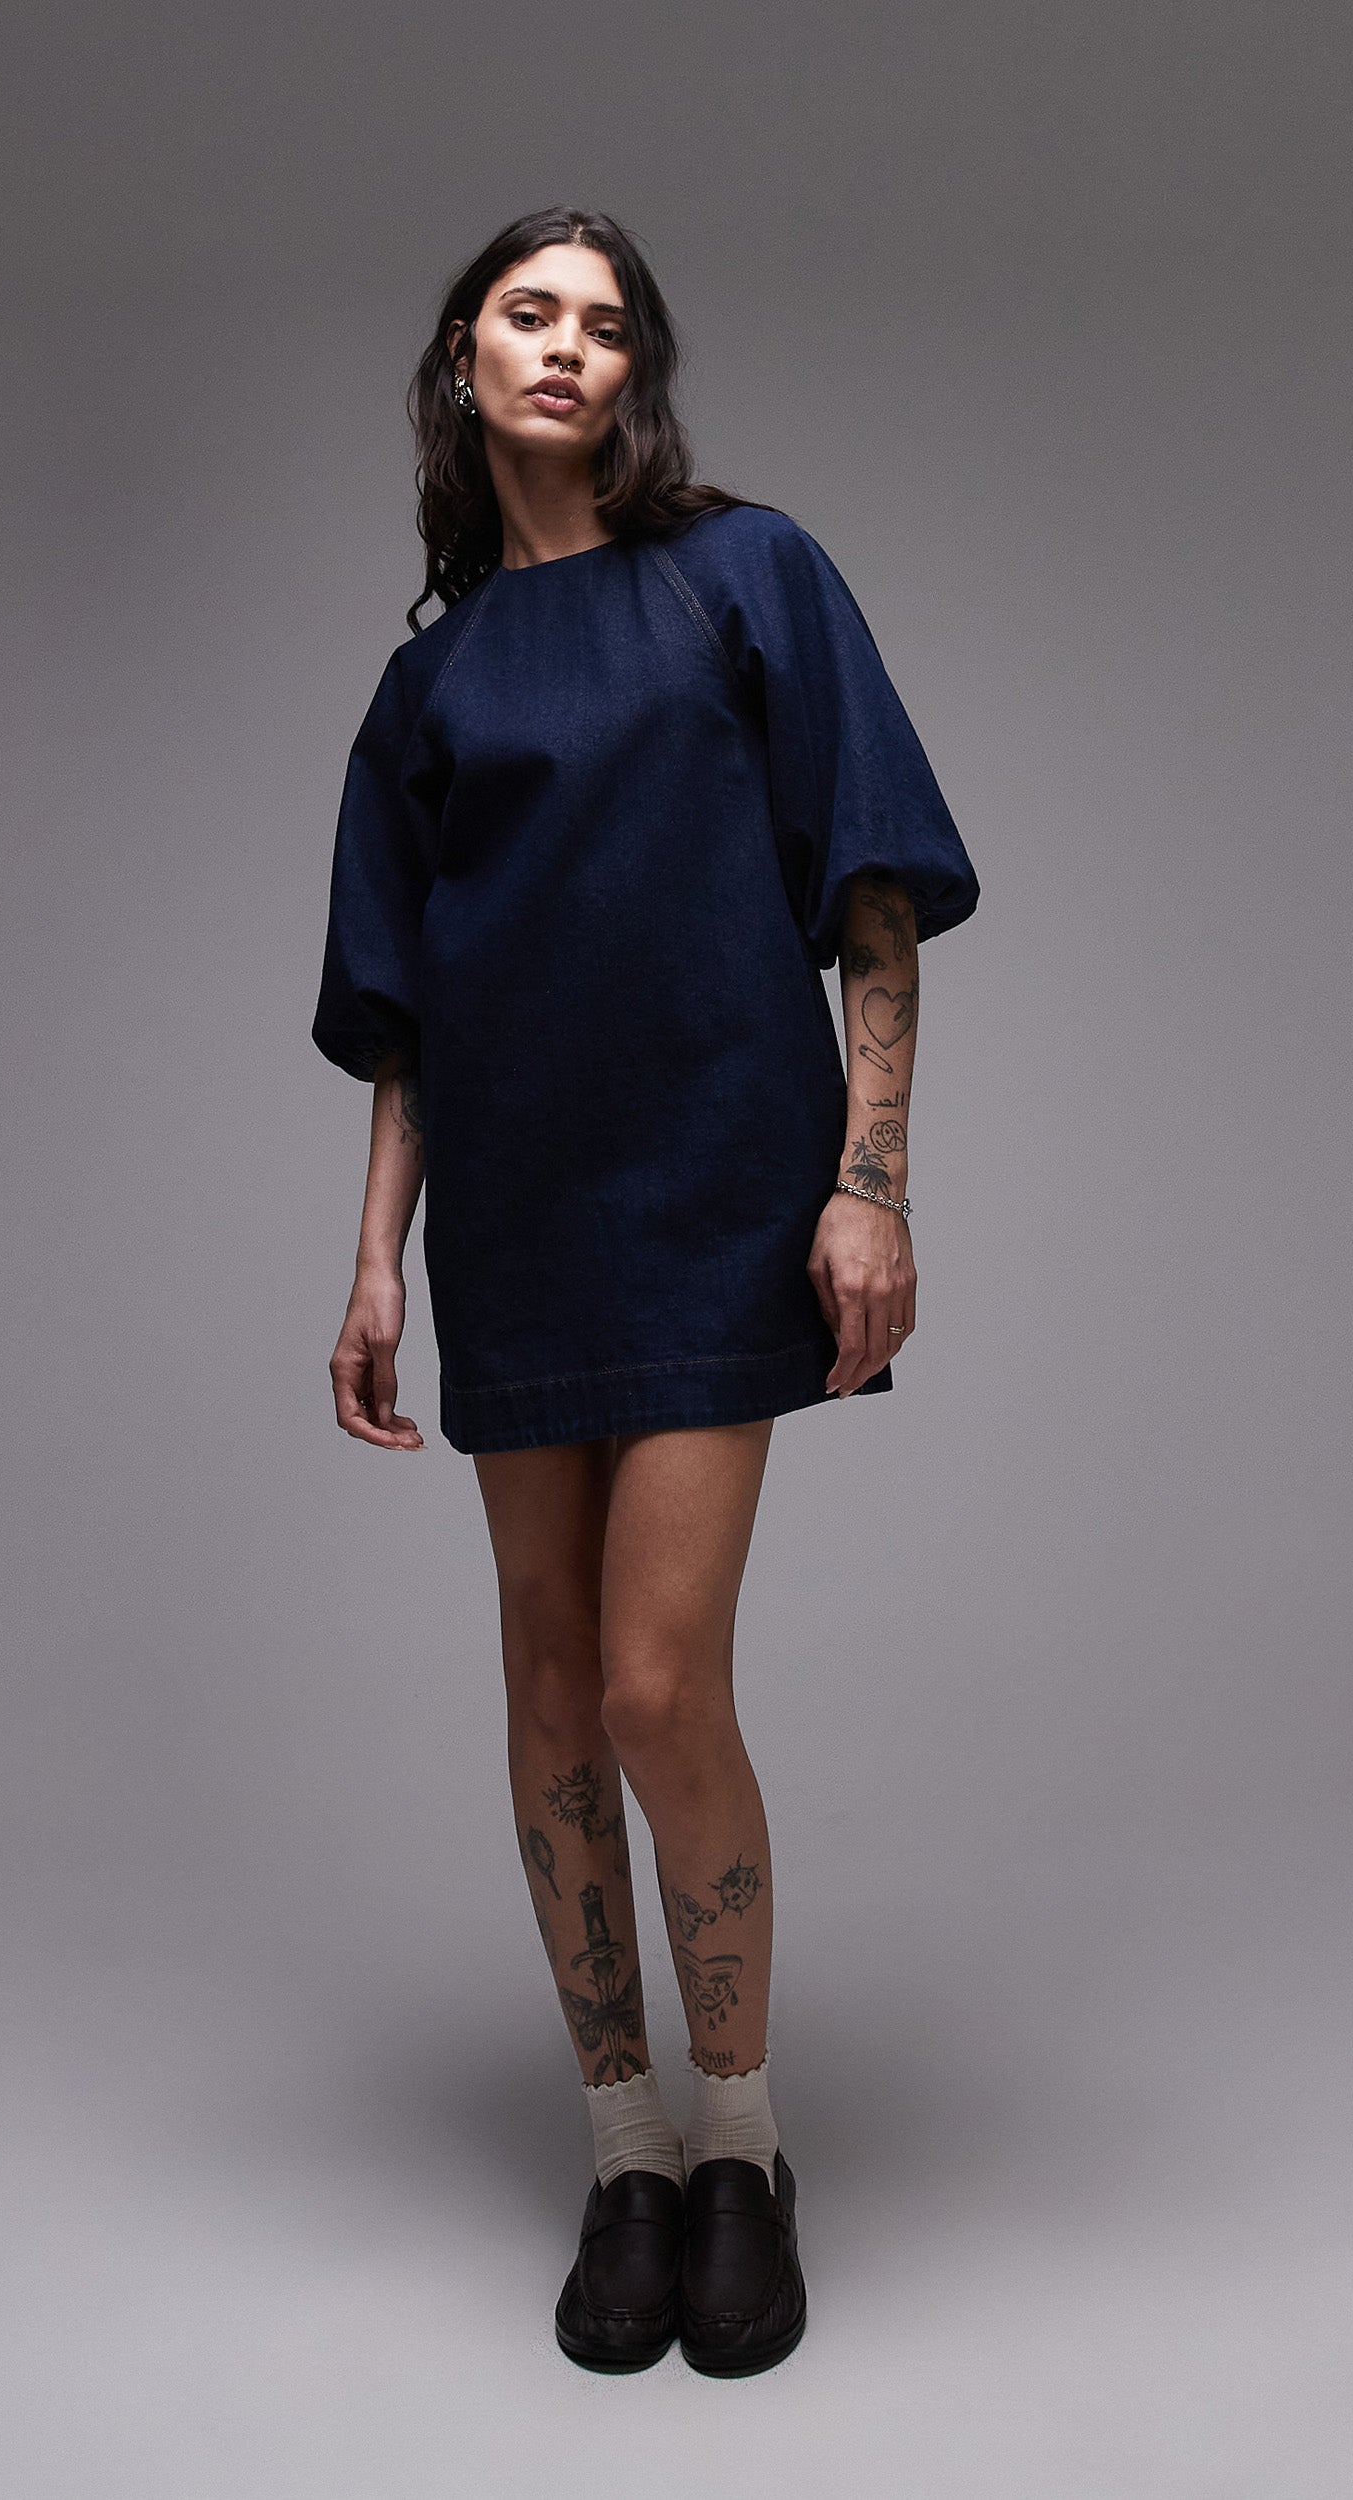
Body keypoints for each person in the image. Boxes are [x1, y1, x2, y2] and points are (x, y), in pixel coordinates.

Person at [311, 207, 978, 2377]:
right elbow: (406, 1014)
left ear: (634, 377)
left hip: (713, 1190)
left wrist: (867, 1181)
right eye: (529, 313)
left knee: (652, 1684)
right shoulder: (424, 688)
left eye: (604, 326)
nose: (565, 349)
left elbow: (870, 895)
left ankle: (740, 2145)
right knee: (540, 1692)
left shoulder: (746, 576)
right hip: (513, 1219)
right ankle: (624, 2150)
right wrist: (373, 1257)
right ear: (462, 355)